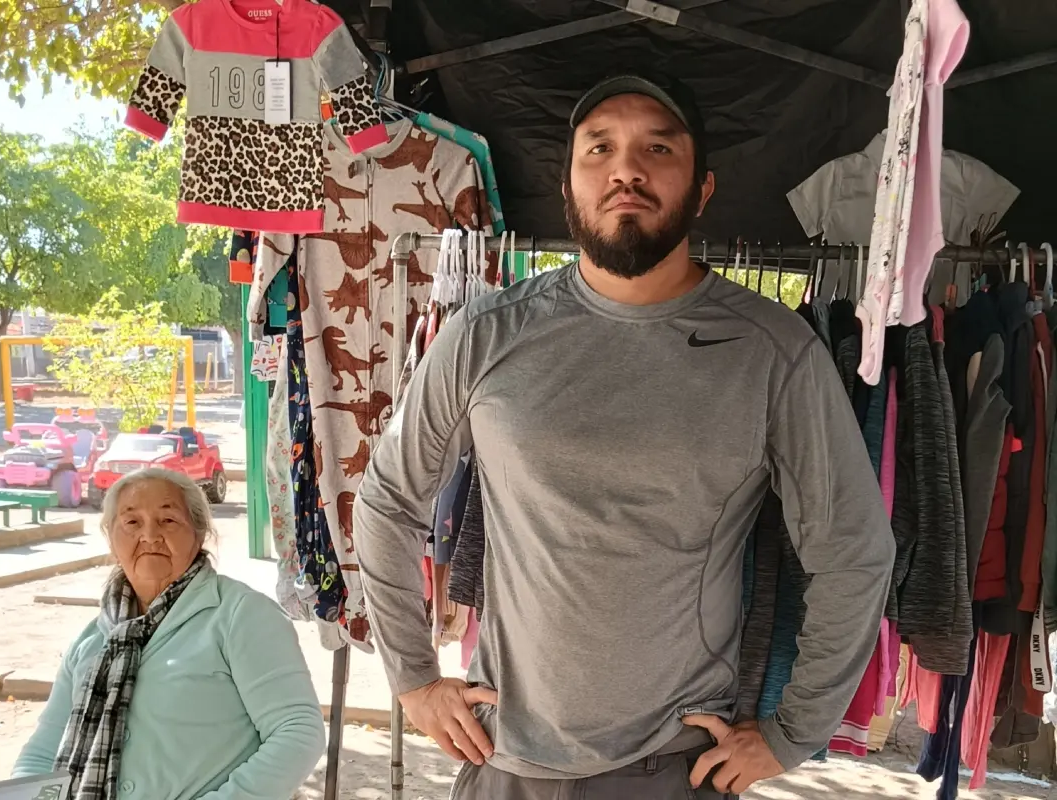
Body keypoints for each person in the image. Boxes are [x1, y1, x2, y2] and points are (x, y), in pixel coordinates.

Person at [352, 73, 896, 799]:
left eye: (657, 149)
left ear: (702, 188)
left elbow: (853, 549)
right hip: (506, 762)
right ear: (569, 184)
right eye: (598, 149)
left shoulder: (775, 351)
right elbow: (387, 502)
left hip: (673, 767)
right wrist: (414, 678)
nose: (626, 170)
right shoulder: (486, 335)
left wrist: (794, 730)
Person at [13, 467, 325, 800]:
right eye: (131, 522)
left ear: (199, 532)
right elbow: (42, 753)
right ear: (111, 538)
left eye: (168, 520)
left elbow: (298, 733)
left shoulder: (241, 615)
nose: (149, 535)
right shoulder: (93, 639)